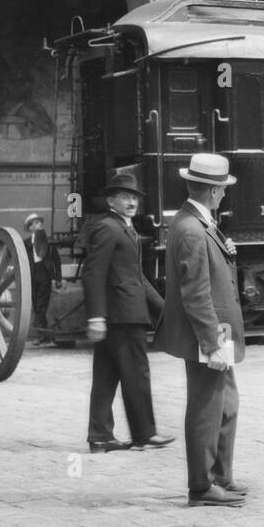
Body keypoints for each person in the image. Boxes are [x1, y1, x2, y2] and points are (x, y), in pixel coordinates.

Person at [158, 154, 247, 508]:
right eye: (222, 190)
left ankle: (219, 476)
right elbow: (195, 294)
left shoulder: (197, 222)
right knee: (206, 409)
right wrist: (212, 343)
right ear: (212, 191)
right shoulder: (192, 230)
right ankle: (202, 485)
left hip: (215, 330)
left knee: (225, 404)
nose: (224, 195)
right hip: (209, 334)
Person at [82, 172, 174, 453]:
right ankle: (145, 434)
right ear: (112, 200)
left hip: (122, 314)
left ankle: (100, 436)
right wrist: (96, 316)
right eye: (125, 196)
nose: (132, 201)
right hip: (123, 316)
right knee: (137, 374)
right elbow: (93, 273)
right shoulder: (108, 228)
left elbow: (138, 278)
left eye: (134, 197)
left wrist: (164, 309)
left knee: (106, 376)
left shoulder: (125, 228)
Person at [23, 213, 62, 344]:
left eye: (40, 222)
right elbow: (21, 261)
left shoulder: (48, 240)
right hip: (32, 275)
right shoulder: (26, 243)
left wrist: (58, 278)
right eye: (36, 222)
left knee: (41, 306)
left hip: (44, 273)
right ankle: (45, 334)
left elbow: (57, 260)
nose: (40, 224)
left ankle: (39, 335)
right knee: (36, 304)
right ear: (30, 227)